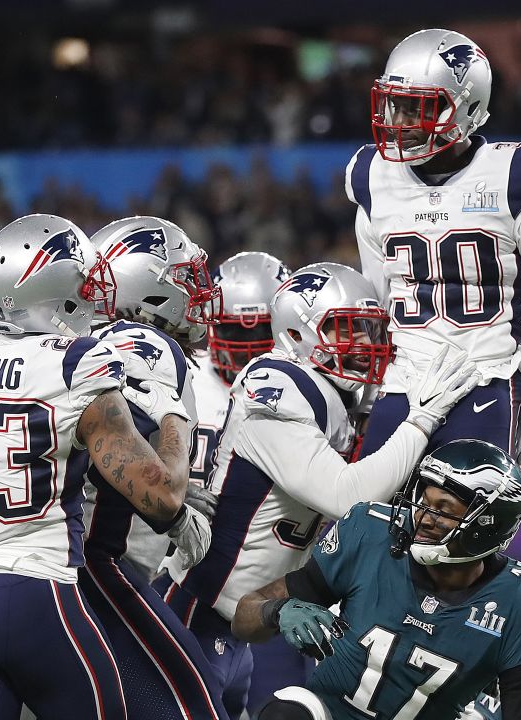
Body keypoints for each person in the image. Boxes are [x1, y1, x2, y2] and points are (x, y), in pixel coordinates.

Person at [155, 262, 480, 718]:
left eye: (369, 330)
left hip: (243, 628)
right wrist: (421, 421)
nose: (366, 344)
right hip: (194, 611)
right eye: (348, 329)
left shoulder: (334, 397)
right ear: (298, 332)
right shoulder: (279, 382)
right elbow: (348, 497)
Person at [0, 213, 200, 720]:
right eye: (86, 285)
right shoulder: (76, 365)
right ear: (53, 294)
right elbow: (163, 493)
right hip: (36, 595)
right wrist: (173, 413)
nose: (96, 298)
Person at [348, 28, 521, 509]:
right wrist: (365, 401)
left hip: (486, 376)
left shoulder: (518, 178)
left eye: (420, 107)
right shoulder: (371, 178)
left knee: (462, 533)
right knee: (361, 528)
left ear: (467, 108)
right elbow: (377, 307)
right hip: (403, 379)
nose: (402, 122)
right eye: (395, 105)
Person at [231, 440, 521, 720]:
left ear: (485, 526)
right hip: (332, 712)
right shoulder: (370, 533)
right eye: (424, 499)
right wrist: (277, 611)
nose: (423, 516)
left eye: (443, 508)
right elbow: (244, 617)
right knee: (287, 713)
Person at [81, 215, 229, 720]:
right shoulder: (146, 347)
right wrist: (173, 499)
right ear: (147, 288)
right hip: (97, 570)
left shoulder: (77, 346)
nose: (200, 293)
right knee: (194, 706)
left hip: (27, 570)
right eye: (184, 279)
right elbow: (156, 483)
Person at [203, 251, 319, 713]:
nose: (248, 348)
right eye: (234, 329)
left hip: (273, 579)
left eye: (260, 333)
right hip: (192, 577)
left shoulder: (315, 388)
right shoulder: (182, 376)